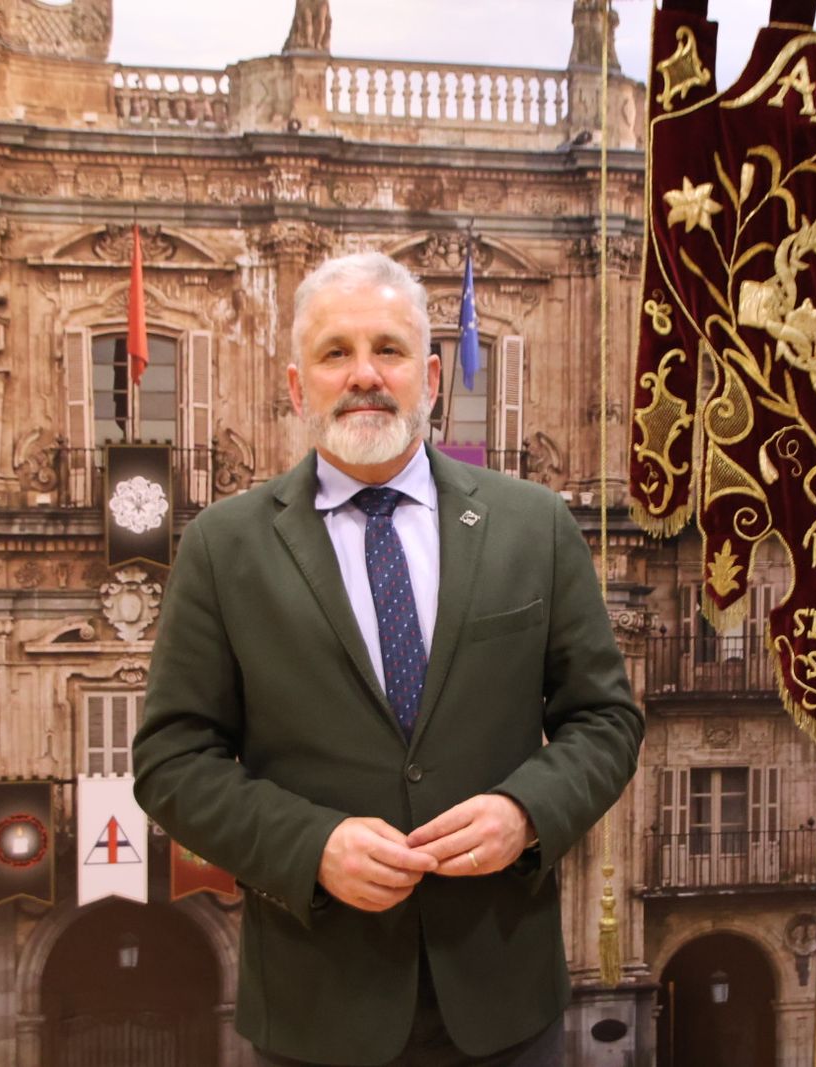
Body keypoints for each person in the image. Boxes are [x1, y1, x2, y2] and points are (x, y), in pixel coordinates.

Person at [133, 251, 643, 1066]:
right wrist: (310, 846)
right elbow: (170, 760)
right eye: (336, 352)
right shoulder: (224, 548)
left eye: (389, 349)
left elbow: (605, 720)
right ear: (299, 386)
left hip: (505, 998)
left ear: (430, 377)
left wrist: (525, 813)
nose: (364, 374)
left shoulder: (534, 526)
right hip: (318, 1008)